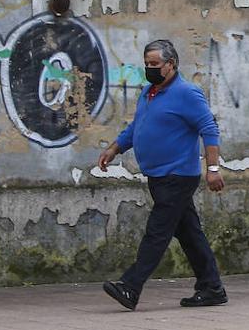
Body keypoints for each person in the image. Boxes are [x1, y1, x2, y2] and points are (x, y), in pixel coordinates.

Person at [97, 39, 228, 309]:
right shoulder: (149, 93)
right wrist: (114, 149)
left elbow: (209, 129)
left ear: (171, 64)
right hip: (158, 176)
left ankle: (131, 287)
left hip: (178, 176)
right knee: (190, 234)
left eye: (155, 64)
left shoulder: (187, 93)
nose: (150, 68)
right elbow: (137, 128)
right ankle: (212, 287)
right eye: (147, 64)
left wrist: (213, 169)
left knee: (157, 231)